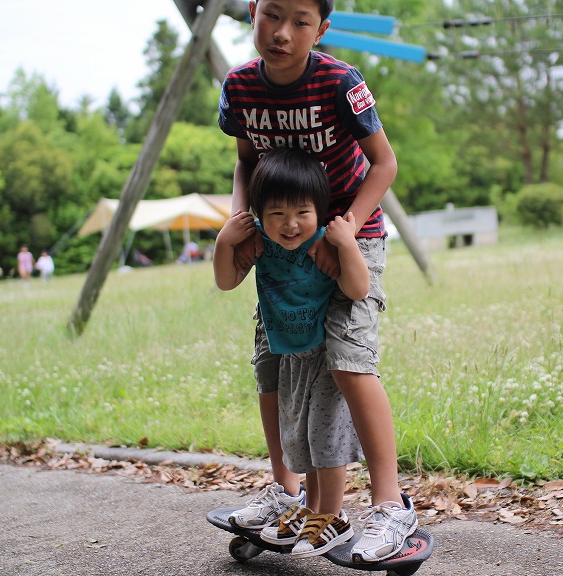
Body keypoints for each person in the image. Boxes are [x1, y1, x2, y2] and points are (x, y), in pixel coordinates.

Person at [218, 0, 416, 562]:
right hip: (278, 238)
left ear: (321, 29)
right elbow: (245, 161)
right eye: (271, 15)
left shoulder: (339, 81)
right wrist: (242, 220)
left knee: (349, 358)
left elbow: (384, 164)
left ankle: (388, 507)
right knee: (273, 359)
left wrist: (344, 231)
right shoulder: (238, 86)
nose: (282, 32)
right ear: (252, 10)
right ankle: (284, 490)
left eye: (300, 22)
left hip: (349, 235)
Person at [214, 148, 366, 556]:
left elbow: (358, 289)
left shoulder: (324, 244)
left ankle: (332, 516)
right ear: (259, 213)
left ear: (320, 209)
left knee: (325, 435)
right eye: (277, 213)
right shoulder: (260, 242)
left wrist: (347, 243)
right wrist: (223, 241)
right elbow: (226, 281)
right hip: (290, 355)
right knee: (300, 439)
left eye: (302, 211)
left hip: (325, 356)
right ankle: (310, 510)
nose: (290, 223)